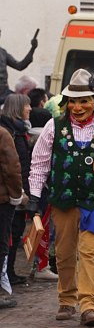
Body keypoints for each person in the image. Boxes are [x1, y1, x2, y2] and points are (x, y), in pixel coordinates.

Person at [26, 70, 94, 325]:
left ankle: (88, 305)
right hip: (63, 201)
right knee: (64, 252)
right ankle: (66, 299)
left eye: (84, 100)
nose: (77, 106)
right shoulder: (55, 126)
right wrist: (34, 196)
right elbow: (40, 163)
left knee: (90, 252)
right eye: (73, 101)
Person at [0, 93, 32, 288]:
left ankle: (9, 273)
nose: (29, 109)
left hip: (11, 192)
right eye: (26, 106)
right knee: (6, 239)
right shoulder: (8, 132)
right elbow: (12, 167)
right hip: (8, 195)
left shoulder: (15, 130)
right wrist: (17, 195)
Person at [0, 123, 24, 309]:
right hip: (2, 199)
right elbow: (11, 169)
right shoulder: (2, 134)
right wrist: (16, 195)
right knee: (1, 244)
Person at [0, 28, 38, 102]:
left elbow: (20, 66)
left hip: (4, 93)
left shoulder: (3, 53)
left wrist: (33, 48)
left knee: (21, 102)